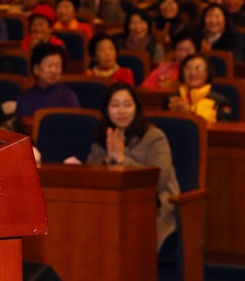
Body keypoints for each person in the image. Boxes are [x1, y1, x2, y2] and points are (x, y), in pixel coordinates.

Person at [85, 83, 179, 252]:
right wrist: (107, 159)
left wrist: (122, 160)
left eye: (127, 105)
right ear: (107, 109)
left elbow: (159, 181)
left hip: (153, 207)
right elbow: (91, 177)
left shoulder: (154, 136)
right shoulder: (103, 136)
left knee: (122, 233)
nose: (122, 111)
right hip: (111, 206)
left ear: (136, 107)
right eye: (115, 105)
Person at [14, 43, 79, 117]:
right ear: (36, 69)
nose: (54, 70)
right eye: (49, 65)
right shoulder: (24, 97)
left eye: (58, 66)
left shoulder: (68, 98)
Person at [165, 54, 234, 123]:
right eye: (188, 68)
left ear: (207, 72)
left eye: (199, 68)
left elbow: (222, 131)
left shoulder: (220, 102)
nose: (193, 73)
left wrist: (188, 114)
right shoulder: (172, 99)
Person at [140, 26, 201, 90]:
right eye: (179, 50)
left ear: (196, 51)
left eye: (187, 50)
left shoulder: (201, 71)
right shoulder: (163, 69)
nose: (183, 55)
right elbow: (144, 89)